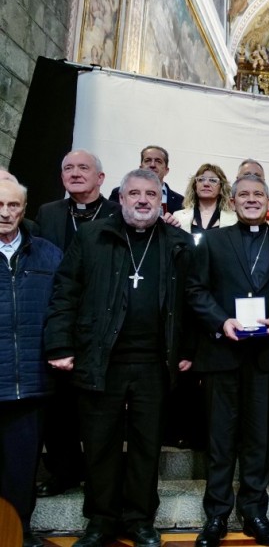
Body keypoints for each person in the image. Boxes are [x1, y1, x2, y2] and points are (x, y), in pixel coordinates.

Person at [45, 169, 195, 547]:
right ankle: (101, 520)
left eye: (150, 193)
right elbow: (66, 292)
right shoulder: (93, 236)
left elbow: (191, 302)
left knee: (147, 445)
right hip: (101, 359)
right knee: (100, 443)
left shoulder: (177, 241)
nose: (143, 199)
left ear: (162, 200)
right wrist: (60, 346)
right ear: (121, 197)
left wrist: (189, 351)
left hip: (154, 364)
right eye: (134, 193)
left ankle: (141, 519)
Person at [188, 174, 269, 547]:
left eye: (258, 194)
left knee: (257, 439)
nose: (252, 199)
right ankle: (217, 516)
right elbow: (196, 289)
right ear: (232, 201)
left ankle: (254, 512)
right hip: (223, 352)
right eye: (244, 195)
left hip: (267, 356)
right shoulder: (213, 240)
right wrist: (221, 320)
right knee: (220, 440)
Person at [34, 150, 121, 499]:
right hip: (61, 315)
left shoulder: (117, 212)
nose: (74, 173)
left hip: (104, 322)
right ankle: (63, 471)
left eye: (83, 168)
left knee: (101, 407)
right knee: (59, 406)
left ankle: (101, 477)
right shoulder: (48, 213)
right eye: (67, 168)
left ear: (101, 178)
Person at [0, 179, 63, 547]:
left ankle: (17, 533)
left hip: (31, 384)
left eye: (13, 206)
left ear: (24, 210)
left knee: (22, 470)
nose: (5, 213)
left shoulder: (48, 254)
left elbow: (61, 310)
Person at [109, 145, 184, 213]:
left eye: (158, 161)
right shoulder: (119, 192)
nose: (152, 165)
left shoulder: (180, 201)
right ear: (140, 168)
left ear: (166, 170)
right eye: (148, 160)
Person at [172, 163, 237, 236]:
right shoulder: (177, 216)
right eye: (201, 179)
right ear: (195, 186)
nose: (206, 184)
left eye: (213, 180)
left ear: (221, 188)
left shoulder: (235, 219)